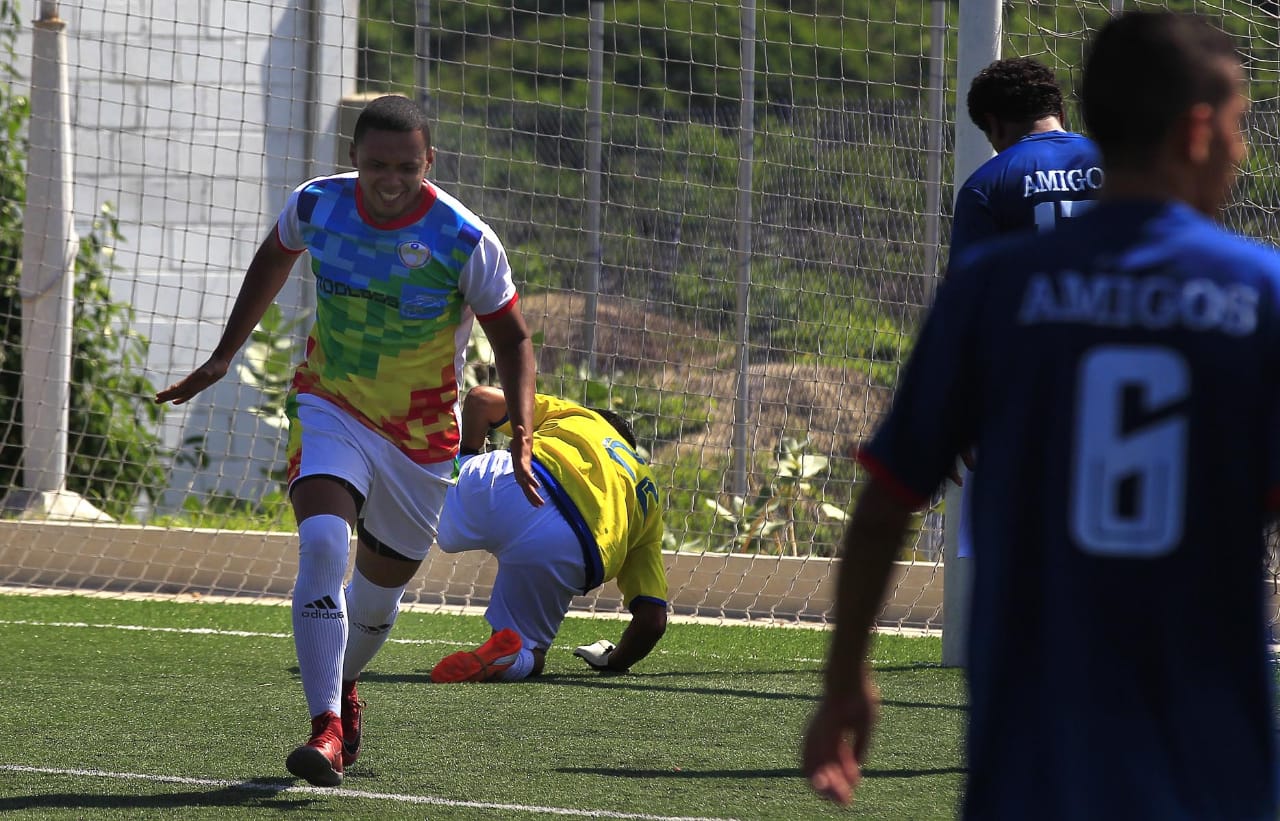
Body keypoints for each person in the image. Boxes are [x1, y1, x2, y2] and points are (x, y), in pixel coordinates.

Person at [803, 12, 1278, 819]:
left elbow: (886, 501)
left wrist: (847, 675)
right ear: (1199, 132)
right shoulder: (1259, 294)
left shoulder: (992, 286)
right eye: (1239, 129)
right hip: (1211, 742)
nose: (1243, 151)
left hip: (1034, 738)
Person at [155, 95, 543, 787]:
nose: (389, 179)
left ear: (429, 162)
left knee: (375, 602)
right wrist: (222, 355)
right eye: (374, 165)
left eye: (406, 166)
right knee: (325, 543)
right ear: (354, 161)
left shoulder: (463, 238)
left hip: (422, 440)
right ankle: (325, 727)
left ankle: (346, 692)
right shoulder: (316, 204)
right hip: (331, 404)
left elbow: (512, 339)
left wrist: (522, 433)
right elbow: (274, 258)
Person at [950, 57, 1104, 559]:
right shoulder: (1126, 167)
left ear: (993, 125)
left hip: (1024, 399)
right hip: (1123, 387)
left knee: (1016, 564)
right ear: (1056, 107)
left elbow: (969, 313)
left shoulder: (987, 185)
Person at [428, 385, 668, 683]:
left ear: (601, 419)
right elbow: (652, 621)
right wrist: (613, 661)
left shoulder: (580, 416)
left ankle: (362, 602)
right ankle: (510, 660)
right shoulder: (650, 496)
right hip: (570, 549)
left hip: (517, 479)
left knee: (402, 518)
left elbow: (480, 400)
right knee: (528, 653)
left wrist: (464, 461)